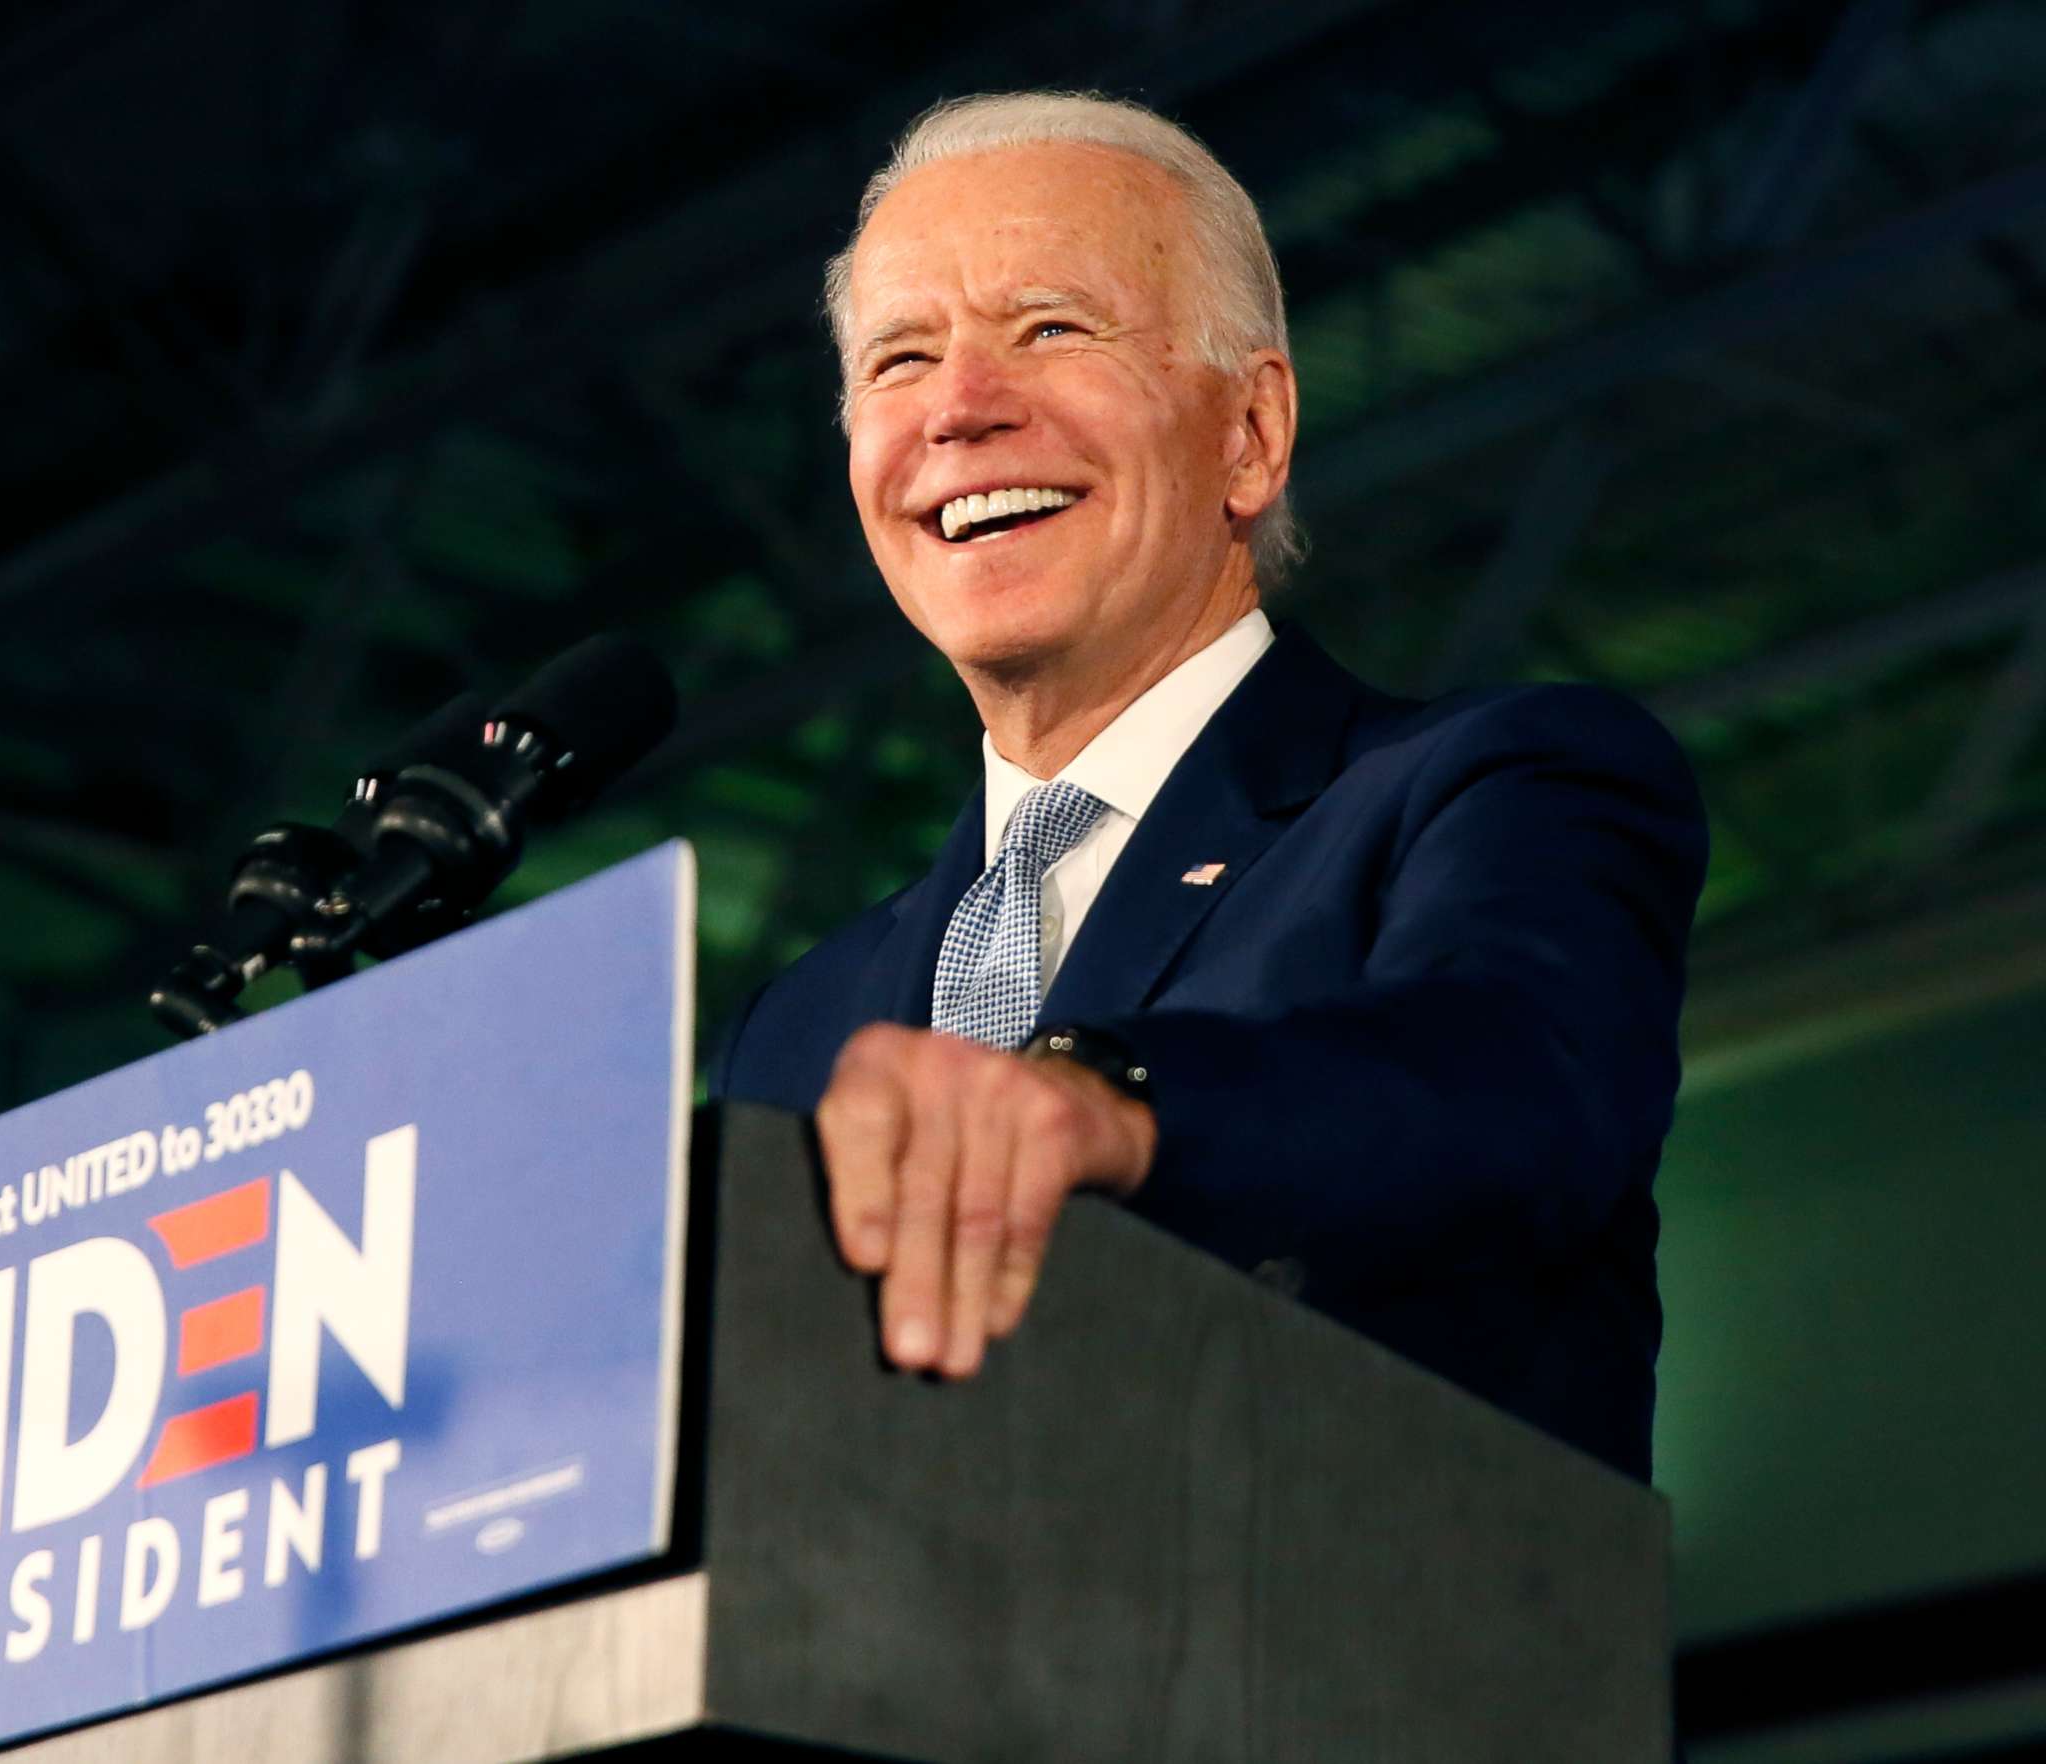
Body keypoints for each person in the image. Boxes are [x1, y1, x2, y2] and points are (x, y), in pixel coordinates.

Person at [710, 91, 1706, 1482]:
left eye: (1052, 329)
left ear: (1250, 433)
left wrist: (1104, 1100)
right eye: (899, 359)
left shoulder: (1492, 786)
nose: (958, 408)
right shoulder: (795, 1027)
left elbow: (1517, 1086)